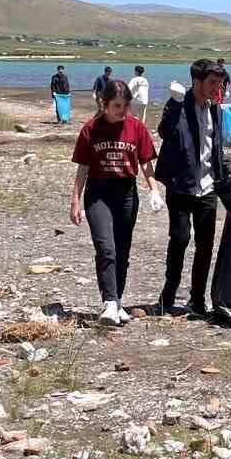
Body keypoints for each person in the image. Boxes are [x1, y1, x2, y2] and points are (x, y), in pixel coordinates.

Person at [70, 79, 161, 326]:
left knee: (122, 251)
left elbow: (145, 162)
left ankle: (117, 301)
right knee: (106, 248)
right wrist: (75, 201)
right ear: (104, 104)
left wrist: (154, 190)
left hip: (126, 193)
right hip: (98, 193)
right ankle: (109, 302)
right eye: (117, 106)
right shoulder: (91, 129)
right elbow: (83, 168)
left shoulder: (136, 128)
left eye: (125, 106)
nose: (122, 111)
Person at [156, 60, 231, 327]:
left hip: (207, 187)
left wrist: (227, 170)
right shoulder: (178, 103)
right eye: (212, 83)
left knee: (205, 244)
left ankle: (197, 299)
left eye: (220, 82)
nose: (218, 88)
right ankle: (168, 293)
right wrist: (175, 104)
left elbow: (216, 145)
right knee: (179, 238)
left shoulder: (216, 110)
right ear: (196, 82)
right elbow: (165, 131)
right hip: (180, 185)